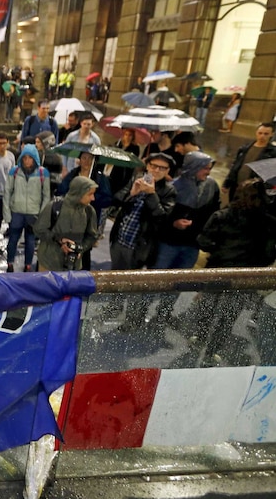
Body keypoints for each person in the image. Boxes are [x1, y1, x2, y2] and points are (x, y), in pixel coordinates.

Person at [194, 179, 276, 365]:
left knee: (207, 307)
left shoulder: (221, 216)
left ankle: (198, 338)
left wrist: (219, 252)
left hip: (216, 270)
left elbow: (203, 242)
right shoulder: (269, 223)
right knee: (229, 316)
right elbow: (269, 254)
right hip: (244, 277)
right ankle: (213, 352)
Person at [109, 152, 176, 270]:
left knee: (129, 280)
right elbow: (116, 200)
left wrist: (151, 194)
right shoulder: (137, 178)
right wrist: (131, 194)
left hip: (138, 246)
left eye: (162, 168)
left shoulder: (169, 191)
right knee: (114, 273)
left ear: (167, 171)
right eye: (153, 166)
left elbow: (162, 218)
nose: (156, 170)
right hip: (119, 238)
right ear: (147, 166)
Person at [34, 176, 99, 271]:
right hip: (49, 263)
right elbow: (39, 230)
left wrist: (80, 248)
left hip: (73, 266)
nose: (93, 198)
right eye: (90, 194)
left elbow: (92, 236)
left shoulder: (89, 212)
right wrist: (59, 240)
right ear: (79, 193)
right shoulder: (55, 207)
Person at [3, 144, 50, 272]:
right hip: (16, 211)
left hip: (33, 213)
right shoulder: (14, 171)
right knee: (13, 239)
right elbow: (7, 192)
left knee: (30, 241)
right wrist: (7, 213)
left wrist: (41, 215)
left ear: (35, 158)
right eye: (25, 158)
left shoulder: (43, 173)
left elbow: (46, 196)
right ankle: (10, 263)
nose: (27, 160)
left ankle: (28, 265)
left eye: (30, 158)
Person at [222, 122, 276, 200]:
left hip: (254, 190)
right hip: (237, 186)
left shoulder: (272, 153)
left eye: (266, 134)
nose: (262, 136)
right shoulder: (245, 148)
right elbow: (235, 166)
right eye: (260, 133)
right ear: (256, 133)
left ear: (271, 134)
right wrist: (227, 183)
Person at [108, 128, 142, 196]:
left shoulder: (135, 147)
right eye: (126, 135)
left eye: (130, 135)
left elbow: (133, 159)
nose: (128, 137)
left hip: (126, 170)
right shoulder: (118, 144)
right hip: (115, 169)